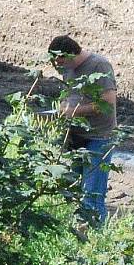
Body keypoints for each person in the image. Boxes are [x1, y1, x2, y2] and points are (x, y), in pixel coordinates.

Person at [48, 35, 117, 224]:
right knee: (72, 188)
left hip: (99, 136)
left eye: (60, 61)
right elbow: (69, 95)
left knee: (92, 193)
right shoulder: (67, 69)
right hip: (74, 136)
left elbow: (108, 102)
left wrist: (75, 112)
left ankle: (95, 235)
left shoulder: (99, 66)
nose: (57, 66)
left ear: (70, 54)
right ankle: (76, 230)